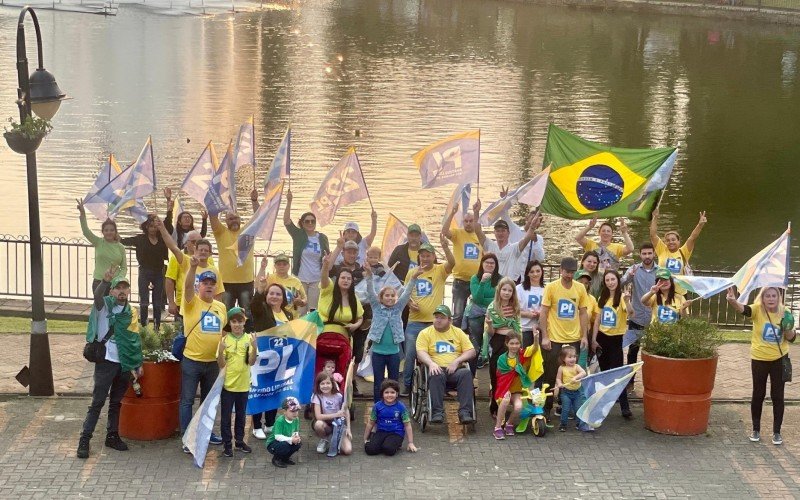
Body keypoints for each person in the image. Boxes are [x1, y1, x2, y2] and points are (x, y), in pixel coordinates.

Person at [77, 270, 143, 459]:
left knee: (116, 402)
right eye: (118, 288)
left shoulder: (131, 311)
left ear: (129, 291)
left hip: (123, 363)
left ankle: (112, 436)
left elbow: (134, 338)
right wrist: (104, 281)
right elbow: (97, 295)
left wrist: (137, 363)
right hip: (106, 361)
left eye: (125, 287)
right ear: (112, 291)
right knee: (97, 402)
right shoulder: (104, 305)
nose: (122, 291)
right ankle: (85, 439)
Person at [726, 287, 796, 445]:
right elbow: (743, 309)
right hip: (759, 359)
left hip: (779, 358)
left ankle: (777, 432)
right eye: (767, 296)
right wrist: (732, 301)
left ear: (778, 298)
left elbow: (792, 338)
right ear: (762, 298)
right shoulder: (757, 309)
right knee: (758, 393)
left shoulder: (785, 312)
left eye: (774, 296)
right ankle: (755, 429)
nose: (771, 299)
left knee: (777, 395)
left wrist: (787, 328)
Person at [178, 259, 228, 451]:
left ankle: (206, 432)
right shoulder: (191, 302)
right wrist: (192, 268)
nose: (208, 286)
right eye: (205, 283)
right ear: (199, 286)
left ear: (216, 287)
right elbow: (187, 285)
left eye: (211, 284)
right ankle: (186, 437)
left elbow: (223, 331)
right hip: (192, 360)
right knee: (187, 400)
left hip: (212, 363)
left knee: (208, 401)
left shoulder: (220, 307)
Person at [401, 236, 455, 395]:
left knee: (439, 354)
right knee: (410, 354)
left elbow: (452, 263)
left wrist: (446, 247)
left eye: (428, 255)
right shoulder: (412, 272)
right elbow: (405, 294)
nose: (425, 258)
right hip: (414, 323)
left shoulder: (439, 270)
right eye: (422, 255)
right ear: (419, 257)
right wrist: (410, 303)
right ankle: (407, 385)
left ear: (433, 256)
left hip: (434, 324)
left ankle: (439, 385)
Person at [538, 257, 589, 420]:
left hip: (573, 337)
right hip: (554, 338)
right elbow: (544, 312)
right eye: (567, 272)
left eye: (572, 272)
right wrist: (544, 336)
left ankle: (567, 407)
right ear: (560, 270)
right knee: (550, 374)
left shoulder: (580, 288)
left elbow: (582, 312)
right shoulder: (551, 287)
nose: (569, 275)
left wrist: (584, 336)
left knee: (571, 373)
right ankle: (546, 407)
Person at [415, 305, 476, 424]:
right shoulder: (425, 333)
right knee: (437, 374)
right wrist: (431, 363)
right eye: (436, 317)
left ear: (450, 320)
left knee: (466, 374)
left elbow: (471, 351)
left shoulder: (458, 332)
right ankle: (437, 412)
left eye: (442, 318)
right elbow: (420, 352)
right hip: (436, 369)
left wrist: (457, 361)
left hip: (455, 370)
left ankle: (465, 412)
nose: (438, 320)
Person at [249, 279, 294, 439]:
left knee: (274, 390)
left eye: (278, 294)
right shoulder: (262, 309)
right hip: (262, 358)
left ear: (283, 297)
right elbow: (254, 305)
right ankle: (256, 426)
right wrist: (260, 290)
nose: (274, 296)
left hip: (280, 360)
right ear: (266, 296)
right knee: (259, 390)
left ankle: (270, 423)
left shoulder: (288, 314)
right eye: (271, 293)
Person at [158, 221, 225, 318]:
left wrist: (216, 312)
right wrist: (162, 228)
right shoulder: (187, 261)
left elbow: (218, 293)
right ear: (195, 250)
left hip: (205, 309)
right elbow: (172, 247)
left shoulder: (214, 270)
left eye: (206, 250)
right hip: (188, 307)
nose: (203, 252)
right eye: (200, 250)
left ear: (210, 253)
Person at [591, 270, 634, 419]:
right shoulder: (602, 298)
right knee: (604, 373)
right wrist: (594, 339)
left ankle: (624, 407)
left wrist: (628, 301)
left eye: (613, 279)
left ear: (617, 280)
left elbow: (631, 313)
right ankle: (603, 405)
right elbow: (597, 320)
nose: (610, 282)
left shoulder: (622, 297)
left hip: (616, 339)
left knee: (618, 374)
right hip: (602, 338)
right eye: (607, 280)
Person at [216, 307, 257, 457]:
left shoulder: (249, 339)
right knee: (226, 417)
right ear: (230, 324)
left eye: (240, 321)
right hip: (228, 386)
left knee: (241, 416)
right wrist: (220, 351)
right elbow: (221, 364)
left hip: (244, 385)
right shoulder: (225, 340)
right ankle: (227, 444)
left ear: (244, 322)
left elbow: (251, 362)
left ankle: (239, 442)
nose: (237, 324)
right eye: (234, 321)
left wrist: (255, 347)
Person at [316, 252, 364, 376]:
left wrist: (355, 325)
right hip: (324, 336)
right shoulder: (328, 290)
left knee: (341, 366)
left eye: (349, 278)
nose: (346, 280)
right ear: (338, 279)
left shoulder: (354, 298)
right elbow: (324, 278)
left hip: (343, 340)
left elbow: (360, 317)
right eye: (343, 278)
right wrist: (325, 266)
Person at [284, 189, 330, 313]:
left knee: (314, 310)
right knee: (300, 311)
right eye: (307, 221)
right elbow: (287, 221)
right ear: (302, 223)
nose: (310, 223)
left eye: (312, 221)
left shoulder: (322, 238)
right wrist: (289, 201)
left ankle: (313, 332)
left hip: (316, 279)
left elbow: (328, 257)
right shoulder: (298, 235)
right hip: (300, 279)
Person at [120, 214, 168, 329]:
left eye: (154, 226)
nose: (153, 229)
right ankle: (144, 327)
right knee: (144, 301)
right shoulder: (140, 239)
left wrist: (169, 210)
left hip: (158, 272)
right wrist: (114, 236)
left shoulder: (162, 240)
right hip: (144, 271)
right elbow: (123, 241)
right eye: (150, 226)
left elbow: (169, 228)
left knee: (157, 302)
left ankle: (157, 327)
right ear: (146, 227)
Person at [442, 200, 482, 332]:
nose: (469, 223)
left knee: (476, 314)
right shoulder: (458, 233)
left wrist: (477, 212)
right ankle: (455, 338)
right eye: (466, 221)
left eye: (471, 221)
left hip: (477, 282)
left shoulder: (480, 236)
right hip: (460, 282)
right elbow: (444, 231)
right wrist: (452, 213)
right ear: (463, 222)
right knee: (458, 315)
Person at [621, 243, 658, 379]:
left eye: (649, 253)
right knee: (632, 351)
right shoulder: (634, 269)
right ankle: (630, 380)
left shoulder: (660, 271)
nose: (647, 256)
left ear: (654, 254)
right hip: (636, 317)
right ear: (640, 255)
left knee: (652, 352)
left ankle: (651, 379)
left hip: (654, 320)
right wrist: (629, 276)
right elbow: (620, 283)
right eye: (644, 253)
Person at [485, 277, 522, 417]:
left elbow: (517, 327)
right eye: (504, 289)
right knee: (496, 374)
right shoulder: (492, 307)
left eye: (510, 290)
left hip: (512, 341)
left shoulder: (515, 307)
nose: (507, 293)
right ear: (499, 290)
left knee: (511, 375)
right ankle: (495, 406)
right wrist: (489, 324)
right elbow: (491, 332)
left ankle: (507, 403)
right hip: (498, 341)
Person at [650, 209, 707, 294]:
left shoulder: (684, 252)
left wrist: (700, 225)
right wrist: (655, 217)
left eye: (673, 240)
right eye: (668, 240)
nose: (671, 242)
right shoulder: (662, 250)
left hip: (680, 292)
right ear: (665, 242)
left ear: (679, 241)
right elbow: (652, 235)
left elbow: (692, 238)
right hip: (663, 291)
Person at [493, 331, 537, 440]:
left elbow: (534, 349)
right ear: (506, 344)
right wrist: (514, 372)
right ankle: (497, 427)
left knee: (518, 407)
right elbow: (501, 377)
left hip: (517, 391)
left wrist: (536, 339)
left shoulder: (522, 355)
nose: (514, 346)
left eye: (517, 343)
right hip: (505, 389)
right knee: (505, 400)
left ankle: (509, 424)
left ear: (520, 344)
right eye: (511, 343)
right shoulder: (502, 359)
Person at [475, 213, 542, 283]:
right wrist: (476, 212)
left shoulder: (515, 248)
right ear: (494, 232)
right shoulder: (489, 244)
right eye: (498, 231)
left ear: (508, 233)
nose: (500, 233)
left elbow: (526, 239)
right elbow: (477, 231)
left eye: (503, 231)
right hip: (492, 284)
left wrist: (532, 227)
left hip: (508, 286)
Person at [77, 199, 126, 292]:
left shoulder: (120, 247)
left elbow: (124, 268)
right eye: (106, 230)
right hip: (99, 281)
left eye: (112, 230)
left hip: (115, 284)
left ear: (115, 232)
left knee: (114, 306)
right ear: (102, 232)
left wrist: (119, 279)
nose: (109, 232)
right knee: (100, 306)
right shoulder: (98, 242)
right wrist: (82, 213)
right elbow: (86, 231)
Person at [211, 211, 254, 312]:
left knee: (246, 311)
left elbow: (259, 216)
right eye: (230, 219)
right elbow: (213, 218)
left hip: (246, 281)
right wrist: (215, 203)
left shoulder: (249, 230)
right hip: (226, 282)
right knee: (225, 311)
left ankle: (247, 329)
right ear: (225, 221)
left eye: (236, 218)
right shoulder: (220, 232)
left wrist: (254, 200)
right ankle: (226, 329)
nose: (234, 221)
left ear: (240, 219)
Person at [466, 253, 501, 375]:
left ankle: (493, 381)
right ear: (482, 264)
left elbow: (500, 298)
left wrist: (488, 301)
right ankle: (470, 378)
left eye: (492, 263)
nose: (489, 265)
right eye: (487, 262)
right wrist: (482, 282)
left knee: (492, 348)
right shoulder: (475, 278)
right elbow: (477, 298)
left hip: (494, 315)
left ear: (496, 265)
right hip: (476, 315)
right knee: (474, 347)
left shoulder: (500, 280)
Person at [364, 379, 417, 455]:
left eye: (392, 392)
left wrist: (410, 442)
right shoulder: (377, 406)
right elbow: (371, 423)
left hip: (396, 433)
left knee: (389, 450)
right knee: (370, 450)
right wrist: (365, 439)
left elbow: (407, 425)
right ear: (382, 394)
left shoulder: (401, 407)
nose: (389, 395)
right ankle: (378, 442)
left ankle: (394, 444)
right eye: (386, 392)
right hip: (381, 431)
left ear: (397, 394)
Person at [311, 372, 352, 456]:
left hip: (339, 425)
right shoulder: (317, 397)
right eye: (322, 383)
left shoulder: (339, 396)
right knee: (318, 424)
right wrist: (336, 414)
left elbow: (346, 411)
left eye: (328, 383)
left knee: (348, 450)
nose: (325, 386)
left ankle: (336, 438)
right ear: (318, 385)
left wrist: (348, 428)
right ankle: (324, 440)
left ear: (332, 384)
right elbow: (318, 416)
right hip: (325, 425)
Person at [259, 253, 306, 317]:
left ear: (289, 266)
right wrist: (262, 268)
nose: (281, 266)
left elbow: (305, 300)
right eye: (279, 264)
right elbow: (257, 287)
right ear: (275, 266)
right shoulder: (269, 278)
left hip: (291, 317)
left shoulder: (296, 281)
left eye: (284, 264)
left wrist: (301, 302)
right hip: (273, 316)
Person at [555, 345, 590, 432]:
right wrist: (559, 384)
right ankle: (563, 424)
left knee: (578, 409)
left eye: (574, 356)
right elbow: (558, 378)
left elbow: (583, 373)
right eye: (570, 357)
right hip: (565, 392)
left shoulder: (576, 366)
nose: (573, 359)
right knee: (565, 409)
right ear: (563, 358)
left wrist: (575, 377)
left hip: (577, 392)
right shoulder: (561, 368)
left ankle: (579, 424)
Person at [267, 396, 303, 468]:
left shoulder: (296, 419)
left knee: (298, 444)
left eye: (297, 410)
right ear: (284, 411)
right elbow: (277, 437)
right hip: (273, 443)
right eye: (292, 411)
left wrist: (296, 437)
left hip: (287, 439)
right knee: (284, 445)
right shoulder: (280, 421)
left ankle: (285, 458)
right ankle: (276, 459)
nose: (295, 413)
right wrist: (291, 439)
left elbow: (296, 431)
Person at [517, 261, 545, 348]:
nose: (535, 274)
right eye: (532, 272)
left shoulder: (547, 289)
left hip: (540, 329)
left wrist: (542, 314)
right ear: (527, 273)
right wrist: (527, 314)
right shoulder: (519, 289)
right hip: (524, 329)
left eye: (538, 271)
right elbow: (512, 309)